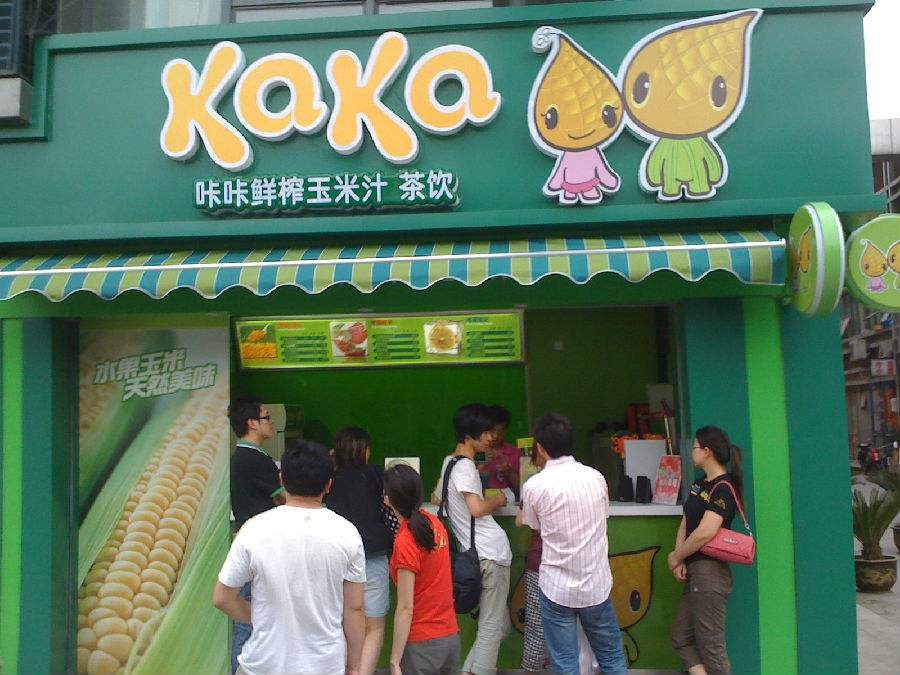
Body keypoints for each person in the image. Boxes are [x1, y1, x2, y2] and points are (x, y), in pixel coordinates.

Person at [214, 440, 366, 675]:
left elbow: (222, 598)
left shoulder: (254, 529)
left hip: (262, 665)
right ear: (328, 484)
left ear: (282, 479)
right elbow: (354, 608)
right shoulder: (348, 534)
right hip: (324, 666)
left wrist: (262, 618)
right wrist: (354, 667)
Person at [520, 413, 628, 675]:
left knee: (564, 663)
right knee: (612, 658)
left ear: (540, 448)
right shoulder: (596, 478)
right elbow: (603, 517)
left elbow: (533, 525)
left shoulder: (534, 486)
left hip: (556, 587)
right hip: (595, 585)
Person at [435, 403, 512, 675]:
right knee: (492, 626)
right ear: (469, 436)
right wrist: (498, 499)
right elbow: (477, 509)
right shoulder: (465, 466)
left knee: (500, 625)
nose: (491, 437)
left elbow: (437, 498)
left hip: (476, 553)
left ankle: (469, 671)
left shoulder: (449, 462)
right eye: (486, 432)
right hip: (490, 552)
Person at [669, 426, 744, 675]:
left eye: (695, 447)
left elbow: (705, 531)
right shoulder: (699, 484)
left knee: (711, 646)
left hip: (709, 572)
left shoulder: (724, 488)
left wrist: (676, 556)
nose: (692, 452)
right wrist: (680, 558)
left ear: (707, 451)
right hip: (693, 569)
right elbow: (686, 522)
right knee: (682, 637)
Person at [326, 427, 395, 675]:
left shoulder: (329, 478)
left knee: (341, 624)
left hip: (338, 560)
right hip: (372, 555)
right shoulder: (374, 474)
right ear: (364, 450)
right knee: (374, 627)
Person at [227, 395, 286, 673]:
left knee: (251, 618)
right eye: (266, 417)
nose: (270, 422)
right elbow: (283, 498)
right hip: (261, 547)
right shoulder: (255, 459)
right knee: (250, 620)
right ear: (252, 423)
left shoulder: (242, 457)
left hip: (249, 543)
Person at [384, 463, 460, 675]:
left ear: (388, 499)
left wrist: (394, 661)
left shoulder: (405, 541)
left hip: (422, 645)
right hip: (450, 636)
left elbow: (405, 608)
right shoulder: (435, 524)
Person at [480, 405, 521, 497]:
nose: (495, 436)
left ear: (506, 430)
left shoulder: (515, 453)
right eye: (492, 431)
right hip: (481, 501)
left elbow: (521, 488)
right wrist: (482, 465)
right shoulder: (477, 452)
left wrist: (510, 472)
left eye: (500, 431)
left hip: (509, 501)